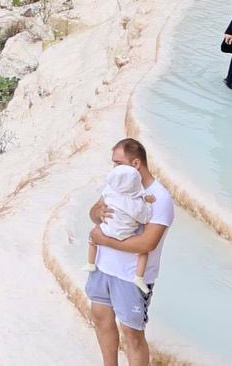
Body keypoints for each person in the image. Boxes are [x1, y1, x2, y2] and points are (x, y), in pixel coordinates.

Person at [87, 137, 174, 366]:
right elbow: (94, 213)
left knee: (133, 335)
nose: (113, 168)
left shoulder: (160, 199)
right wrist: (98, 212)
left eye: (118, 163)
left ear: (135, 164)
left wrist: (102, 240)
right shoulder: (115, 184)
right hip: (103, 268)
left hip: (131, 277)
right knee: (101, 319)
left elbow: (147, 244)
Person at [86, 164, 152, 283]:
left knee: (92, 237)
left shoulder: (110, 194)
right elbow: (145, 218)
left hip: (107, 231)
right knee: (143, 253)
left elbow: (99, 208)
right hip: (125, 235)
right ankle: (139, 278)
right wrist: (148, 204)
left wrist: (102, 237)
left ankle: (90, 263)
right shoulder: (136, 204)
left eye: (117, 162)